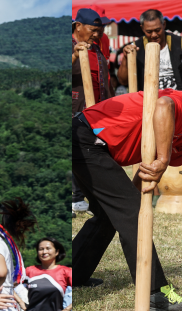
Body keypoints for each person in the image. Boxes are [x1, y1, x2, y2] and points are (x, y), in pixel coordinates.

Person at [73, 73, 182, 311]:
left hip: (97, 147)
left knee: (111, 215)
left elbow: (152, 167)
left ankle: (75, 275)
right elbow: (163, 105)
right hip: (85, 137)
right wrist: (161, 161)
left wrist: (135, 192)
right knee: (132, 212)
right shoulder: (179, 103)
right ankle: (156, 293)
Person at [71, 7, 113, 215]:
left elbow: (106, 80)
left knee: (93, 151)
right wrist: (75, 55)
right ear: (78, 26)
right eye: (93, 29)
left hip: (98, 110)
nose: (97, 34)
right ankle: (75, 198)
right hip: (75, 108)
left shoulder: (96, 49)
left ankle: (88, 197)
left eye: (100, 30)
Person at [119, 10, 182, 93]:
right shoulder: (135, 47)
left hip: (176, 98)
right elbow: (123, 81)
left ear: (164, 25)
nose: (154, 35)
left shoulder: (179, 43)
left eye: (157, 30)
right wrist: (126, 58)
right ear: (142, 28)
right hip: (146, 100)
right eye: (149, 32)